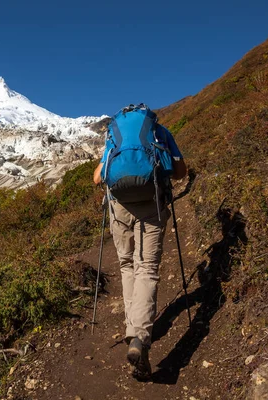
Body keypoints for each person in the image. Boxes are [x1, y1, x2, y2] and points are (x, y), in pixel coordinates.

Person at [93, 120, 186, 380]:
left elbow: (98, 177)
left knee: (127, 265)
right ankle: (139, 337)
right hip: (151, 204)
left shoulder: (114, 136)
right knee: (146, 267)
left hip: (119, 207)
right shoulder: (159, 130)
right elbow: (180, 171)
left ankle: (131, 327)